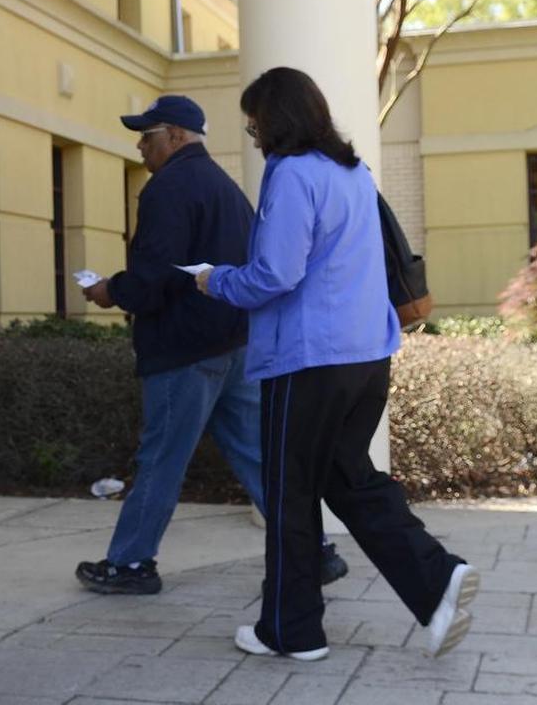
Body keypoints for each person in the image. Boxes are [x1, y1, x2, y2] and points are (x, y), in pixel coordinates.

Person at [197, 68, 478, 660]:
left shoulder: (293, 174)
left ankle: (290, 631)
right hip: (366, 356)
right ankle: (436, 579)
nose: (252, 132)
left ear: (276, 118)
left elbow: (275, 274)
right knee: (346, 477)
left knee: (289, 494)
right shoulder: (352, 172)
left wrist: (213, 281)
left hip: (307, 362)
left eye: (254, 121)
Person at [75, 95, 348, 595]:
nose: (140, 145)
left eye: (147, 135)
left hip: (183, 351)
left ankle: (131, 565)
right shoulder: (225, 187)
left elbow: (153, 276)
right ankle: (314, 549)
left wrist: (111, 290)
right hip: (234, 342)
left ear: (177, 136)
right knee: (258, 455)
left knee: (161, 457)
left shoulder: (167, 189)